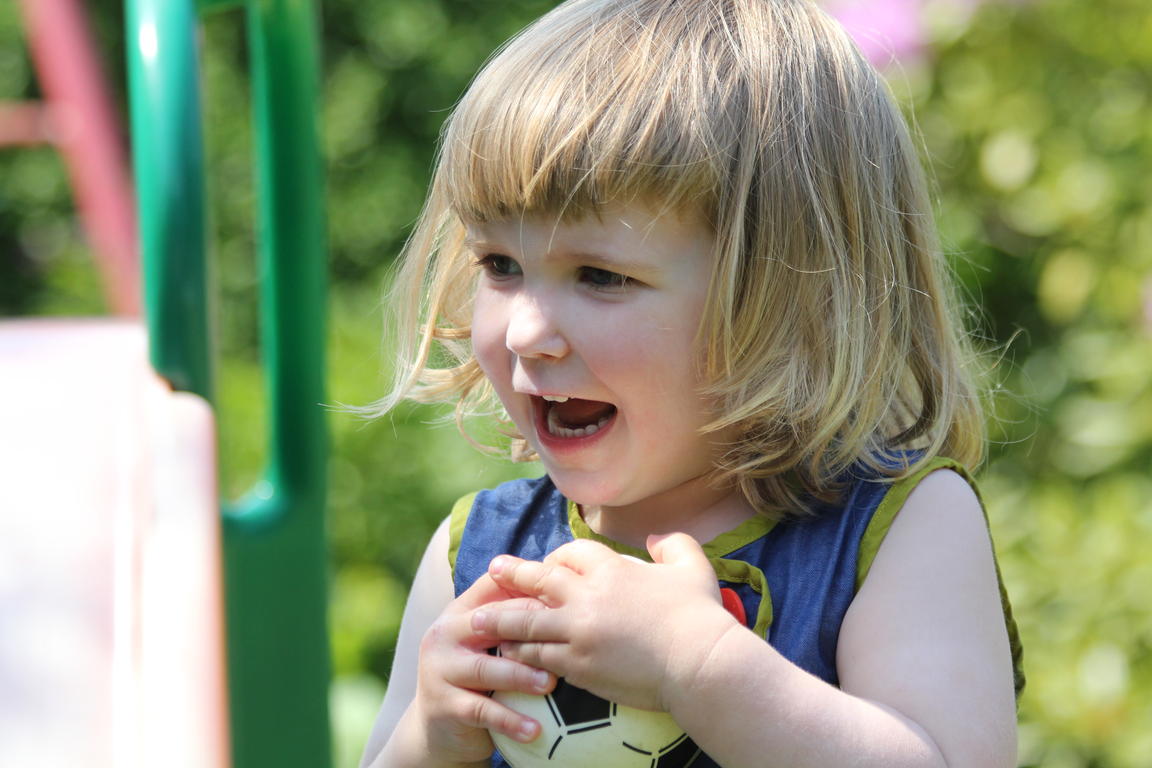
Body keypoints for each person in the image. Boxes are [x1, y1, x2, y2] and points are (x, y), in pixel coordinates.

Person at [360, 0, 1024, 766]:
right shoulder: (478, 553)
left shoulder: (896, 528)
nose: (525, 333)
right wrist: (429, 737)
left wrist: (697, 664)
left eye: (600, 275)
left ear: (789, 299)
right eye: (500, 265)